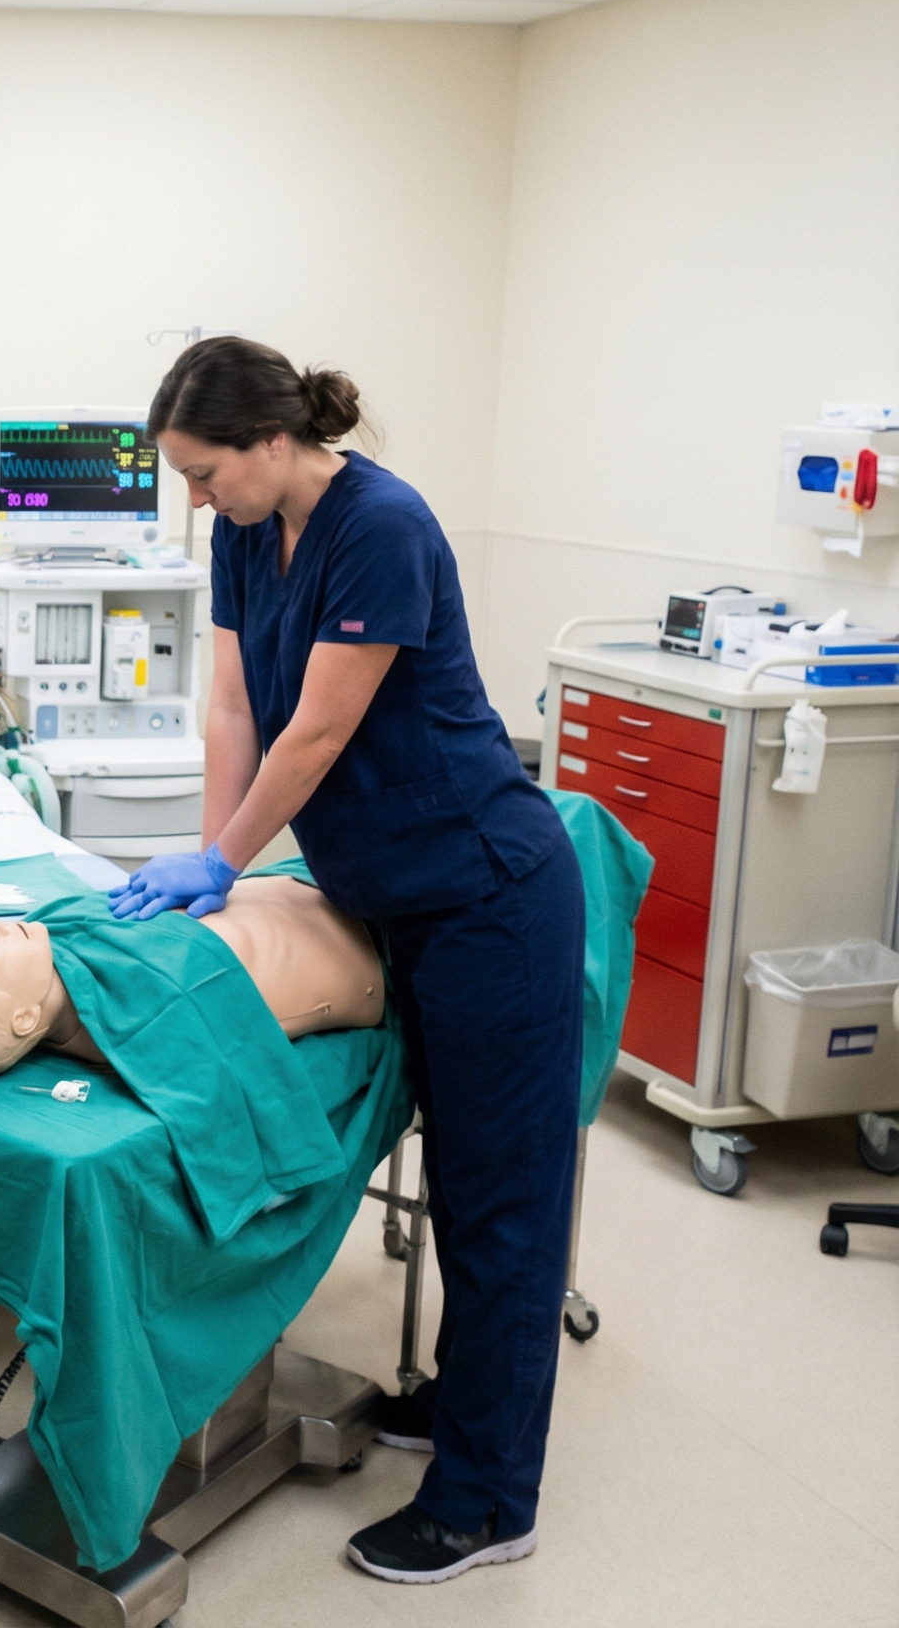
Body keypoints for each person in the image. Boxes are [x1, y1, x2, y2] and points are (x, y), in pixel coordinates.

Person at [111, 337, 583, 1587]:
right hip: (389, 896)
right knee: (450, 1162)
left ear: (275, 441)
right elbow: (234, 709)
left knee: (497, 1197)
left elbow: (318, 728)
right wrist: (222, 867)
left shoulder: (383, 525)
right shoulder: (237, 529)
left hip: (486, 892)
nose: (194, 498)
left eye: (207, 472)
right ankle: (469, 1402)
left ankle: (488, 1502)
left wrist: (228, 858)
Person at [0, 872, 386, 1080]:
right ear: (23, 1018)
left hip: (300, 883)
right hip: (367, 935)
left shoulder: (55, 933)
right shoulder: (147, 1019)